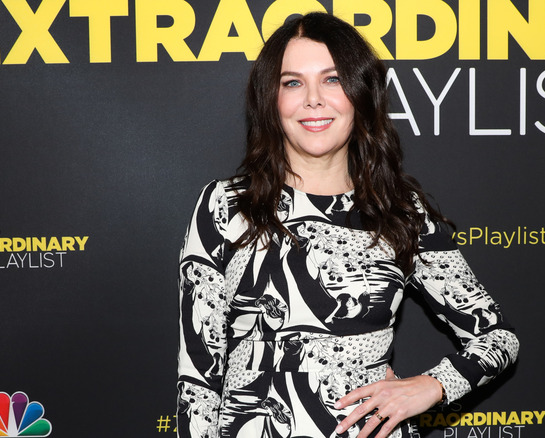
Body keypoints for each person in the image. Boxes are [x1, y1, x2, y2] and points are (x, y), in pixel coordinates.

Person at [177, 12, 518, 438]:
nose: (313, 99)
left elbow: (498, 339)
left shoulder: (399, 210)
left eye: (333, 79)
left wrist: (431, 386)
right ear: (271, 100)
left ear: (360, 93)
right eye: (293, 82)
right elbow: (198, 378)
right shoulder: (226, 205)